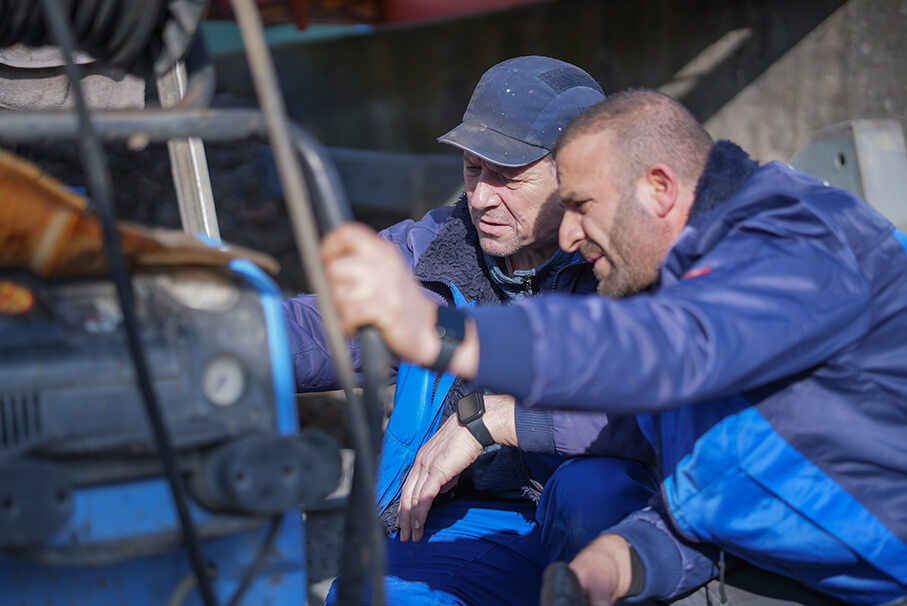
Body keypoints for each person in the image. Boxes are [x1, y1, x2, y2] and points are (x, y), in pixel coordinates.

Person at [321, 88, 907, 606]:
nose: (570, 235)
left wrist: (444, 336)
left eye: (582, 206)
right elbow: (703, 502)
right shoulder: (684, 277)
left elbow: (663, 350)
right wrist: (623, 560)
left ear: (658, 188)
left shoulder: (800, 239)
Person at [284, 57, 657, 606]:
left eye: (508, 176)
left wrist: (498, 421)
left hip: (608, 519)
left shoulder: (636, 262)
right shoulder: (437, 249)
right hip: (468, 518)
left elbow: (664, 413)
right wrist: (224, 339)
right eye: (472, 168)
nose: (481, 198)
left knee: (592, 492)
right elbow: (325, 324)